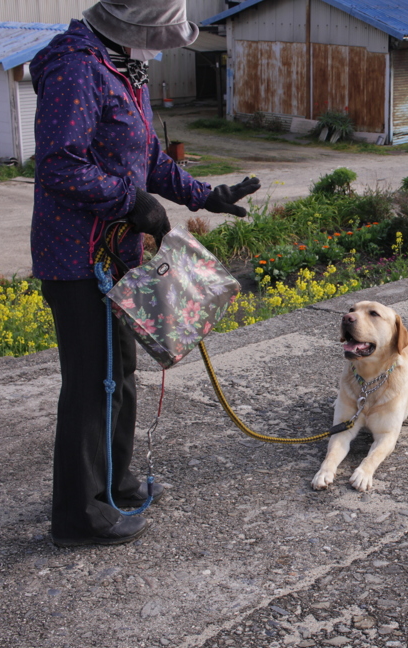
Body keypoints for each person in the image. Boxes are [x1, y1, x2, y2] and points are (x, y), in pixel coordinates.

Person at [30, 0, 260, 547]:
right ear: (131, 28)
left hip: (117, 254)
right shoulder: (76, 68)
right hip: (78, 258)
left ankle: (114, 482)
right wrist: (130, 201)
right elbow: (59, 163)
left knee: (121, 375)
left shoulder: (122, 68)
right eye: (159, 39)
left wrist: (206, 195)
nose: (160, 51)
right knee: (91, 383)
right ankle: (79, 516)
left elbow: (149, 157)